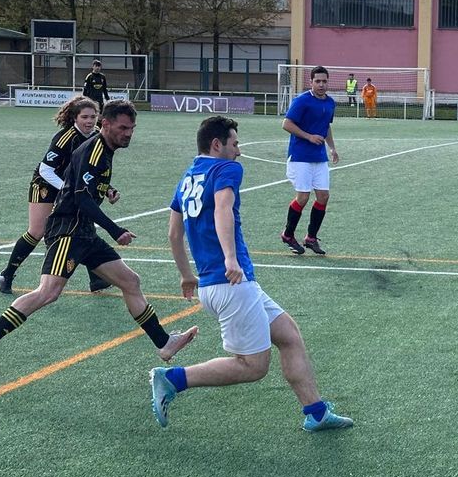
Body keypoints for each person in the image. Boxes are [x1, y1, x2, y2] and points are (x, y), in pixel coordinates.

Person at [150, 115, 354, 432]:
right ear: (216, 145)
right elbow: (222, 208)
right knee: (253, 367)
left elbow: (174, 234)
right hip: (231, 282)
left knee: (289, 335)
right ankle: (173, 379)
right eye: (234, 144)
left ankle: (315, 412)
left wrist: (186, 275)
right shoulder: (226, 169)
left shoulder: (188, 177)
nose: (239, 151)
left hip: (218, 283)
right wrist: (230, 258)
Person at [0, 100, 198, 374]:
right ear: (106, 124)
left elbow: (81, 183)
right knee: (48, 292)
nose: (128, 133)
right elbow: (81, 198)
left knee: (130, 281)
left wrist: (107, 190)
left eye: (132, 128)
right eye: (123, 128)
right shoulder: (94, 149)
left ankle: (164, 343)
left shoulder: (104, 150)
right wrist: (115, 230)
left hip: (84, 231)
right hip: (67, 230)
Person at [0, 95, 112, 295]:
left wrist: (108, 188)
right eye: (84, 117)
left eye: (93, 117)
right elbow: (46, 170)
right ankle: (7, 274)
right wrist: (68, 190)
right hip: (45, 185)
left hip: (69, 189)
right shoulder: (64, 138)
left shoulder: (96, 138)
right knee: (37, 231)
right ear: (75, 118)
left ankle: (96, 280)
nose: (89, 121)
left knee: (82, 227)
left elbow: (93, 171)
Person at [279, 65, 339, 255]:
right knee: (303, 197)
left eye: (324, 81)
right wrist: (308, 136)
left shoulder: (330, 103)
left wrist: (332, 148)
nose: (321, 84)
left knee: (323, 196)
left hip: (319, 157)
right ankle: (288, 234)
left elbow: (326, 126)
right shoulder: (302, 100)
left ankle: (311, 238)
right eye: (317, 81)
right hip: (300, 156)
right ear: (311, 82)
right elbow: (286, 124)